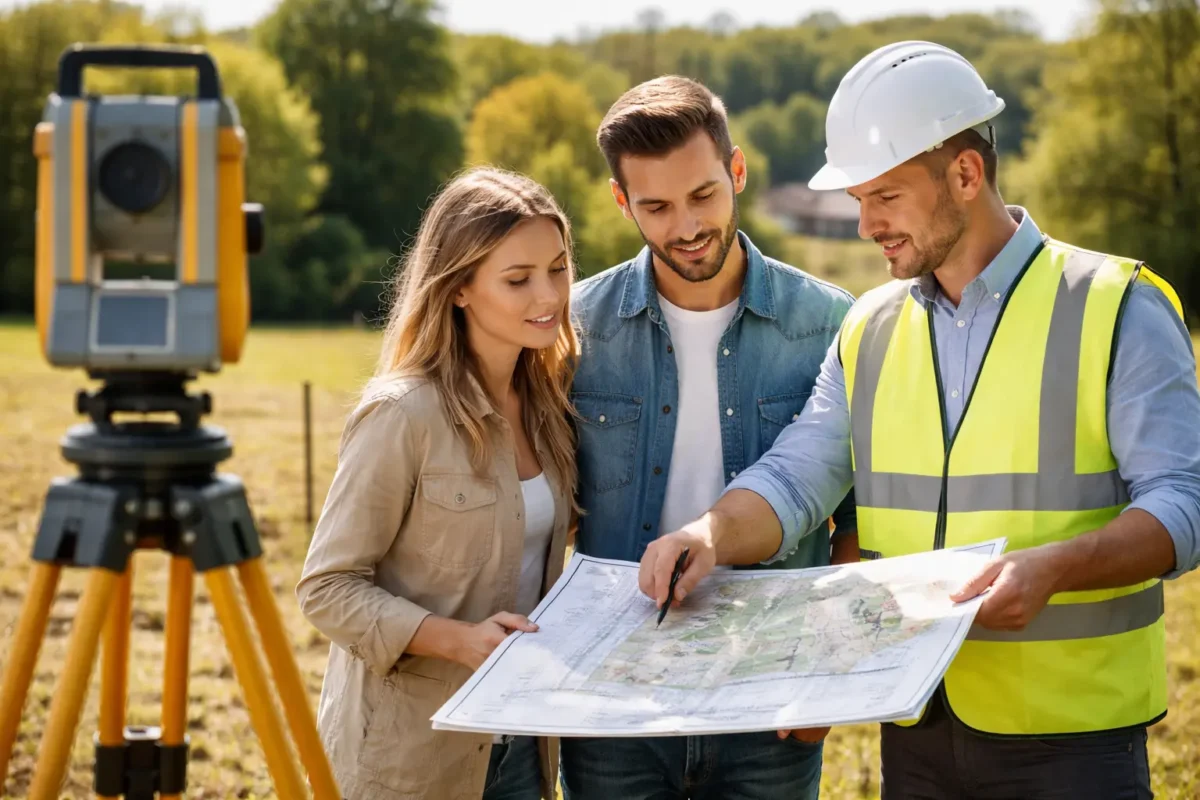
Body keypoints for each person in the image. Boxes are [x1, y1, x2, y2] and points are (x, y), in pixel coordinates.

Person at [638, 40, 1200, 800]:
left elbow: (1184, 502)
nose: (865, 224)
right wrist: (709, 535)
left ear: (965, 175)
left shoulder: (1115, 306)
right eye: (858, 200)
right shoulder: (869, 326)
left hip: (1072, 735)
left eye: (885, 196)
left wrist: (1055, 569)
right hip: (915, 724)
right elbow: (800, 473)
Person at [561, 75, 858, 800]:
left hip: (769, 694)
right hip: (612, 700)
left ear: (738, 171)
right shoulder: (575, 329)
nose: (687, 226)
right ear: (621, 202)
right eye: (657, 207)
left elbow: (859, 522)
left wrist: (827, 676)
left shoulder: (831, 322)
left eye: (703, 195)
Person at [296, 167, 579, 800]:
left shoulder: (552, 406)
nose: (549, 296)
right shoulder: (402, 414)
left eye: (558, 269)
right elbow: (326, 589)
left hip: (524, 744)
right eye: (518, 279)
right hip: (412, 756)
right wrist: (458, 641)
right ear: (459, 289)